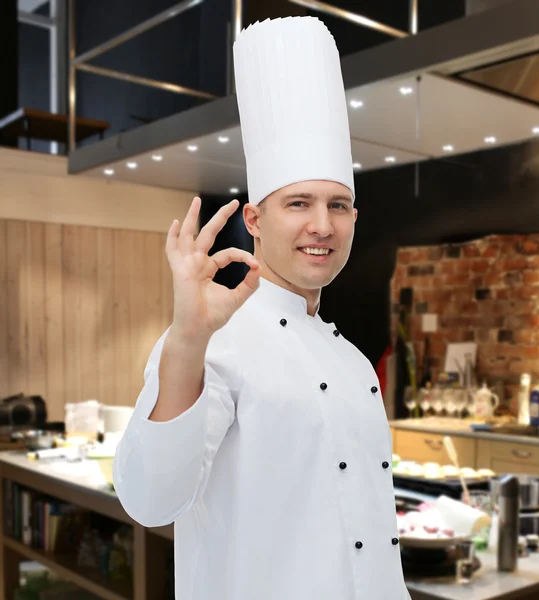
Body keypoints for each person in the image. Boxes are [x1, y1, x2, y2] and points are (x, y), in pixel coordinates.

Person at [113, 16, 410, 600]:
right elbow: (150, 501)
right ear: (253, 219)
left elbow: (368, 537)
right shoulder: (216, 338)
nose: (321, 225)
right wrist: (187, 339)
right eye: (298, 203)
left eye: (339, 205)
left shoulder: (351, 361)